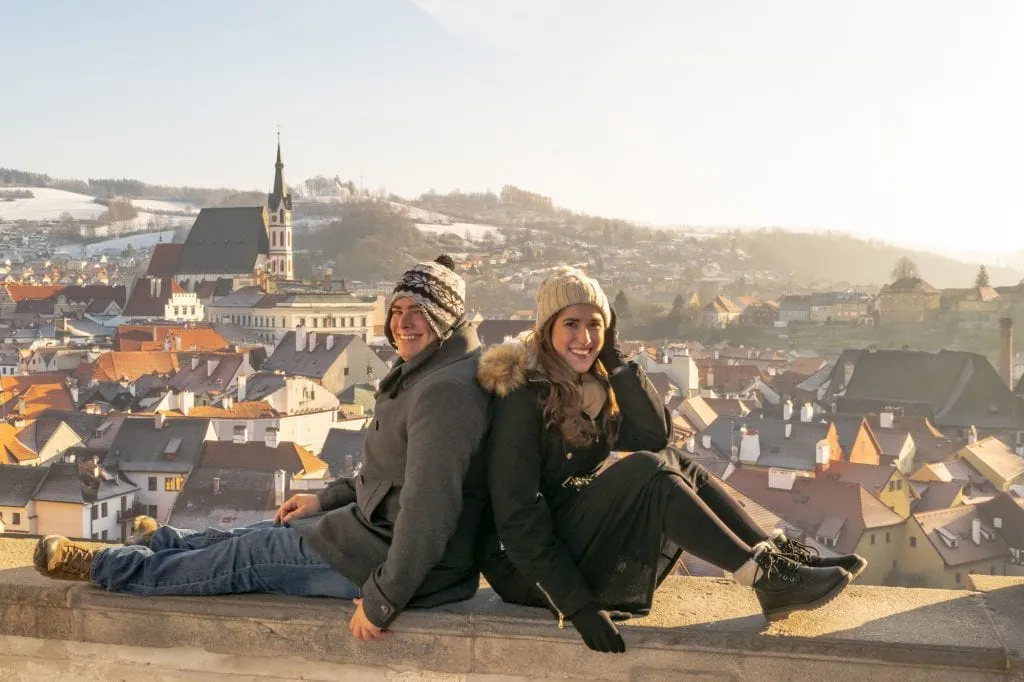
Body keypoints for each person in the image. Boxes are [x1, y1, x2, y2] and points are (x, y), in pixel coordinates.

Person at [34, 255, 491, 640]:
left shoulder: (443, 392)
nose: (403, 323)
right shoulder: (429, 372)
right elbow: (389, 473)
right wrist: (322, 498)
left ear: (446, 318)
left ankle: (107, 567)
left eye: (419, 312)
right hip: (369, 536)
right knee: (253, 535)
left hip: (391, 564)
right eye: (398, 309)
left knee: (245, 559)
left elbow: (430, 508)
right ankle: (159, 541)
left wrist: (384, 600)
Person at [475, 267, 865, 653]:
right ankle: (759, 575)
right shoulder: (523, 399)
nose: (585, 337)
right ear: (547, 330)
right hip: (527, 569)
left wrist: (615, 361)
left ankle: (774, 562)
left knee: (675, 459)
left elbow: (654, 436)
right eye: (571, 324)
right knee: (649, 470)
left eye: (595, 325)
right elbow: (517, 519)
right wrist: (578, 607)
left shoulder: (588, 387)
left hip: (568, 532)